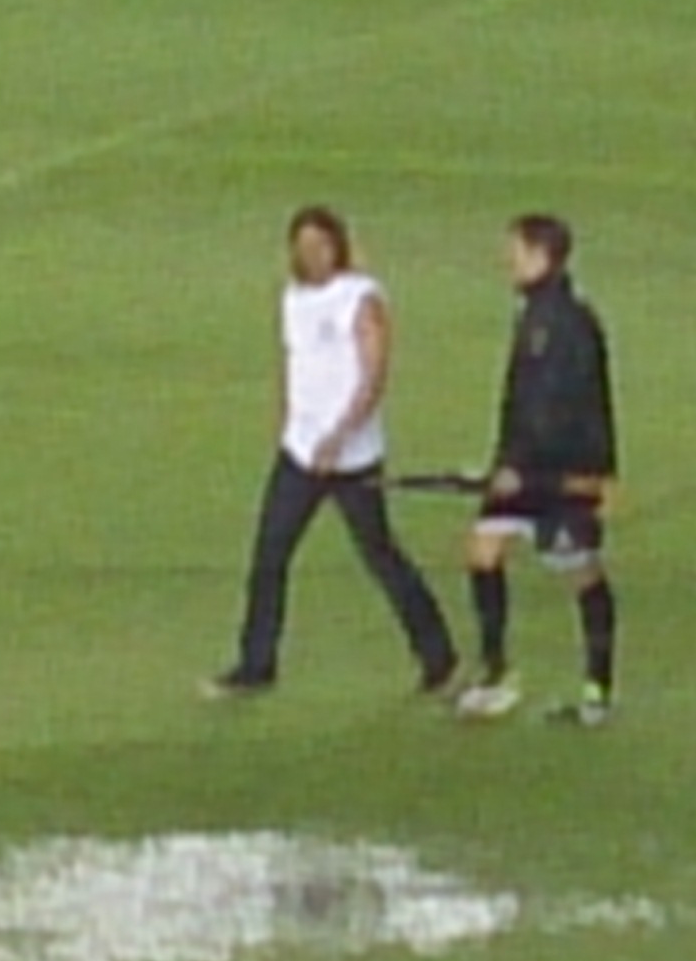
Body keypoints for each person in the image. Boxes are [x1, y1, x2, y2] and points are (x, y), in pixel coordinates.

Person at [213, 206, 462, 700]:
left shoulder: (360, 298)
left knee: (381, 555)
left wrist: (341, 434)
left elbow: (374, 374)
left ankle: (438, 657)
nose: (312, 255)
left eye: (321, 245)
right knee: (270, 554)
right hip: (300, 451)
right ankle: (256, 664)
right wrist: (288, 422)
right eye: (303, 246)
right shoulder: (293, 299)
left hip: (350, 457)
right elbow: (294, 364)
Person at [452, 214, 621, 727]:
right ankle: (497, 674)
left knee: (581, 572)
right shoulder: (542, 314)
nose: (508, 259)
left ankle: (596, 691)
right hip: (528, 470)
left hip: (558, 475)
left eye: (517, 251)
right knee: (483, 550)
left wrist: (525, 472)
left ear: (543, 256)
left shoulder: (559, 324)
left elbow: (556, 410)